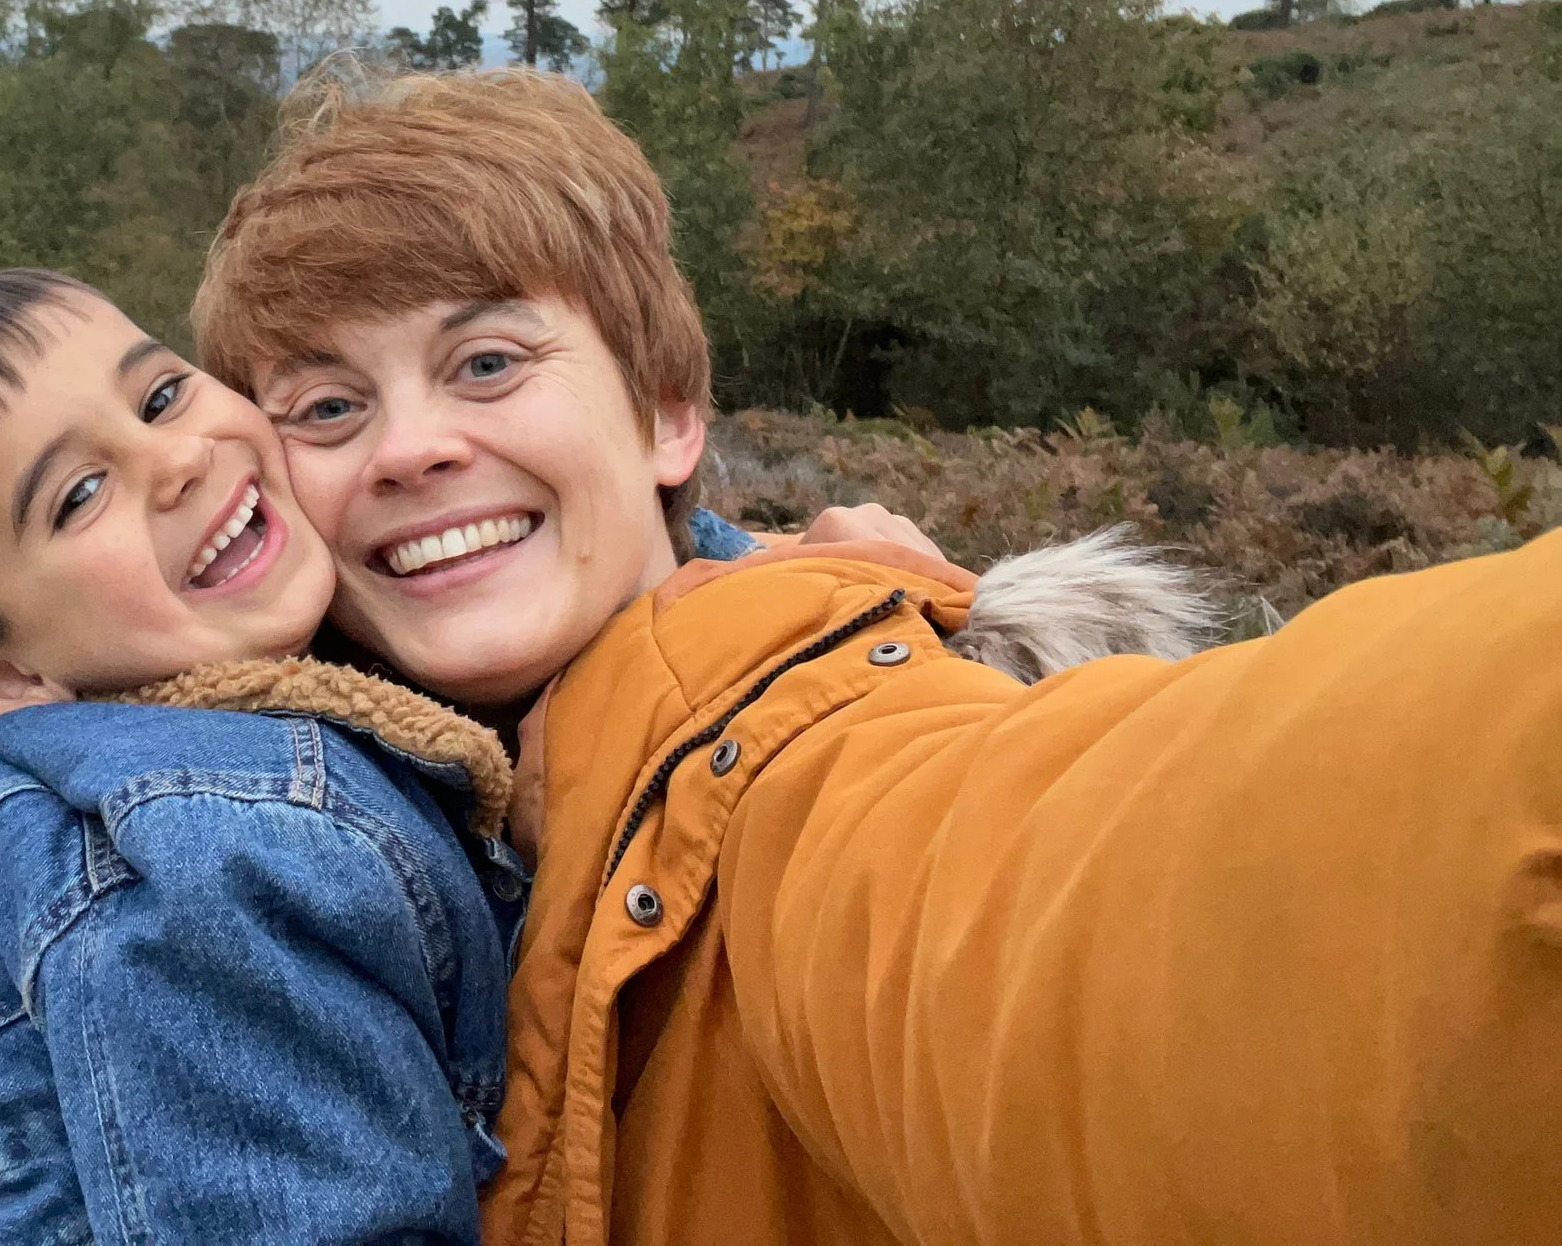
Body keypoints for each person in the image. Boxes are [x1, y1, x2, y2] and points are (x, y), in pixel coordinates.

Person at [193, 66, 1562, 1246]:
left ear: (668, 415)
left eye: (487, 361)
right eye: (326, 403)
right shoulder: (260, 824)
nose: (409, 444)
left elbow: (1119, 906)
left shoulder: (803, 756)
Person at [0, 268, 529, 1244]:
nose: (178, 460)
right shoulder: (213, 865)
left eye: (158, 395)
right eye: (77, 496)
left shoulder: (221, 711)